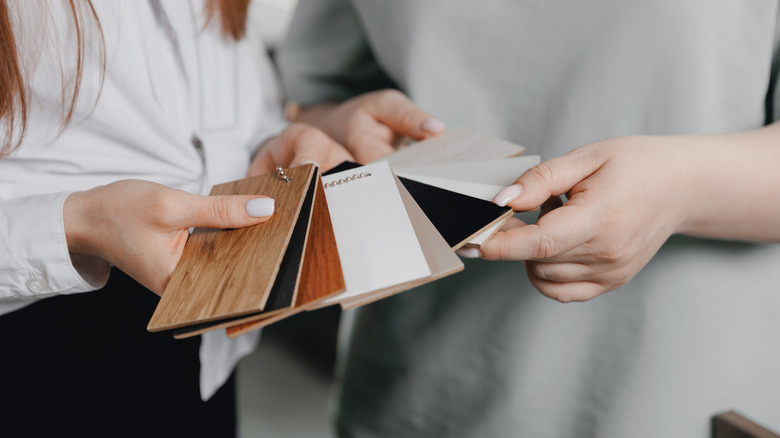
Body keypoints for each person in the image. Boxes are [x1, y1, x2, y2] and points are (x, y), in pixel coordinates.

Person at [278, 1, 780, 436]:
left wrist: (679, 189)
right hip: (416, 391)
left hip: (676, 397)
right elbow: (307, 100)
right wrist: (339, 128)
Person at [0, 1, 440, 436]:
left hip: (202, 333)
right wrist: (78, 223)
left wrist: (296, 133)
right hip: (36, 322)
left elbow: (221, 102)